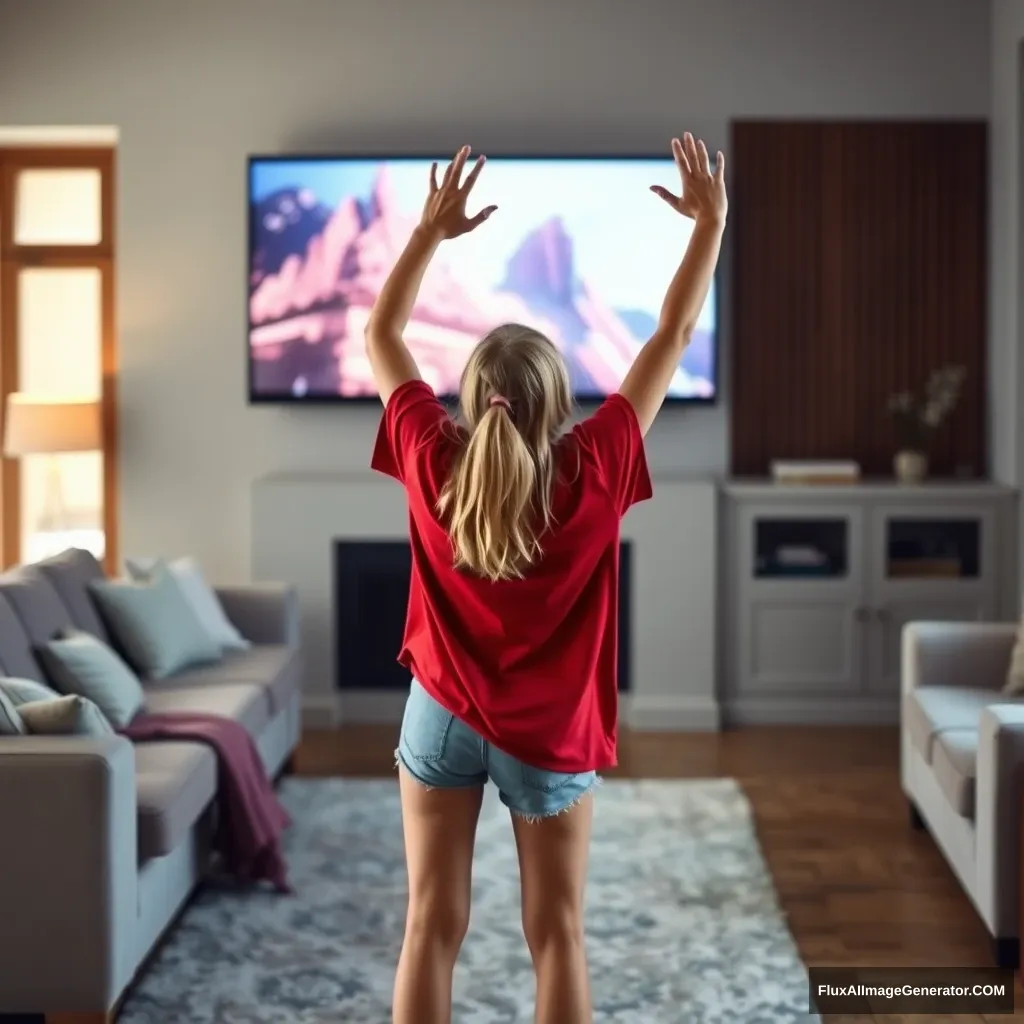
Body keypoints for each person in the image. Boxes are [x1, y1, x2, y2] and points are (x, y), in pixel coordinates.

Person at [367, 135, 727, 1024]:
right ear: (559, 402)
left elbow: (379, 334)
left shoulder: (429, 452)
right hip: (550, 731)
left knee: (427, 928)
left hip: (442, 711)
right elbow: (676, 333)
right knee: (557, 933)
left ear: (470, 394)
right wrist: (709, 224)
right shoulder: (598, 464)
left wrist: (427, 232)